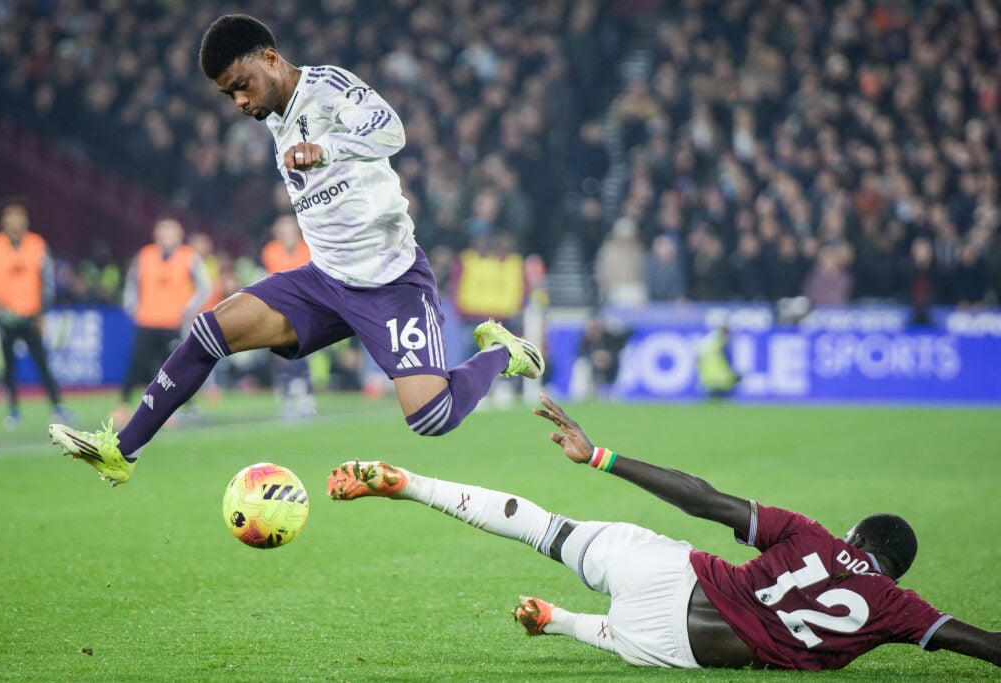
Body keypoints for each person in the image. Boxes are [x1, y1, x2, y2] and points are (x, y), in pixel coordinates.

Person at [49, 13, 542, 486]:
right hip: (324, 281)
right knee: (209, 331)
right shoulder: (272, 114)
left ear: (269, 57)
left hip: (390, 279)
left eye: (242, 84)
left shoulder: (326, 87)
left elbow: (393, 131)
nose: (239, 101)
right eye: (228, 94)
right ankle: (122, 452)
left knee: (431, 417)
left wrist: (327, 149)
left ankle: (503, 351)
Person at [327, 394, 1001, 671]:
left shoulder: (815, 535)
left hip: (669, 575)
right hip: (680, 647)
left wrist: (599, 456)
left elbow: (704, 500)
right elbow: (987, 645)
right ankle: (562, 621)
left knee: (545, 528)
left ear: (856, 534)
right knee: (629, 636)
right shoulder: (897, 608)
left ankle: (409, 482)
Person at [112, 218, 210, 425]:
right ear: (156, 235)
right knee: (137, 365)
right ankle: (124, 406)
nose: (167, 237)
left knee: (177, 367)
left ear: (179, 236)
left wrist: (188, 308)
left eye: (171, 233)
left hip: (173, 323)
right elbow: (131, 282)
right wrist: (133, 307)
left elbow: (205, 286)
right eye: (163, 232)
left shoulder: (188, 257)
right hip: (147, 320)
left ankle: (185, 406)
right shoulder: (145, 255)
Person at [0, 199, 70, 429]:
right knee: (8, 366)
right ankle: (12, 410)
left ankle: (58, 407)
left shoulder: (36, 244)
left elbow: (47, 280)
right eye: (11, 218)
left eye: (19, 218)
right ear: (3, 221)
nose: (15, 222)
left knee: (42, 363)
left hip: (31, 315)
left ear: (25, 221)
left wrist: (42, 312)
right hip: (5, 317)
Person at [260, 214, 315, 420]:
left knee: (302, 354)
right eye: (282, 228)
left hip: (305, 309)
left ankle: (304, 395)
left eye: (290, 228)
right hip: (279, 310)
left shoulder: (309, 248)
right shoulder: (271, 251)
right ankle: (287, 395)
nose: (286, 233)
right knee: (283, 356)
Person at [696, 324, 741, 397]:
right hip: (721, 379)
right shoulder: (721, 345)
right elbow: (725, 364)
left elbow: (697, 358)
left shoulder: (707, 344)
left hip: (707, 379)